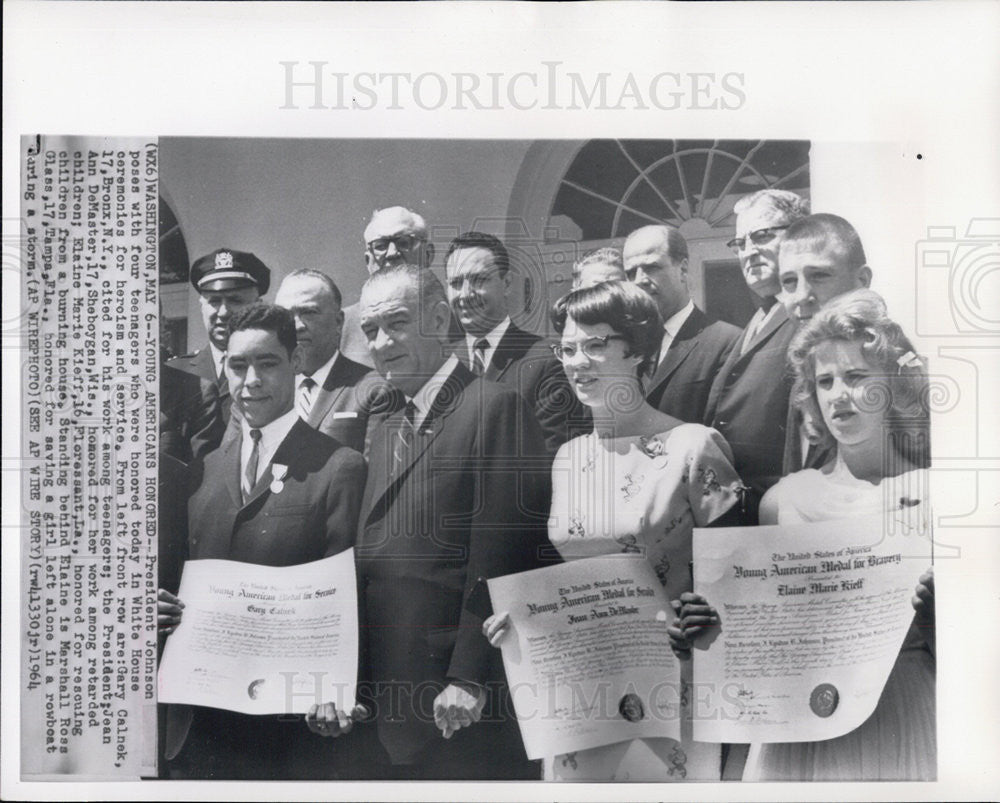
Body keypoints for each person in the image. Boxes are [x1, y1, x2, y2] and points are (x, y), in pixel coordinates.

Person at [484, 281, 745, 781]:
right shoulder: (568, 457)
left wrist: (701, 619)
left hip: (673, 686)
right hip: (581, 692)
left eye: (597, 345)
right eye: (568, 348)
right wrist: (518, 626)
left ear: (640, 352)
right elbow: (560, 586)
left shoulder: (693, 447)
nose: (577, 361)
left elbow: (735, 584)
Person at [673, 289, 935, 781]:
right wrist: (705, 638)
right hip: (796, 733)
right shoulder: (784, 501)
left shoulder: (931, 494)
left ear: (895, 387)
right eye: (824, 381)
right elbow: (760, 650)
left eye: (856, 377)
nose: (838, 393)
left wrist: (940, 621)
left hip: (899, 712)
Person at [308, 264, 555, 780]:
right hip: (386, 688)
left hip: (455, 693)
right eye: (370, 330)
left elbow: (501, 553)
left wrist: (470, 676)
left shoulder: (492, 406)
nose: (379, 342)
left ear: (440, 319)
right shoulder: (389, 419)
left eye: (396, 323)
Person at [158, 304, 367, 780]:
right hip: (199, 725)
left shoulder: (338, 467)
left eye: (267, 363)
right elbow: (176, 573)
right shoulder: (203, 471)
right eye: (238, 365)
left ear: (296, 364)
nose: (251, 379)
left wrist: (335, 689)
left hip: (288, 731)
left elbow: (347, 596)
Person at [703, 189, 810, 522]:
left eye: (762, 236)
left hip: (785, 512)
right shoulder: (757, 319)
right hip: (739, 513)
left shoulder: (809, 317)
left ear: (800, 237)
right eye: (740, 243)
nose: (748, 252)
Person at [445, 231, 588, 456]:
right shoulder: (443, 362)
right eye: (455, 283)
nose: (465, 294)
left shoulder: (546, 361)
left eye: (479, 280)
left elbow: (554, 455)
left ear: (507, 282)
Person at [777, 213, 874, 473]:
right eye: (789, 281)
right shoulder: (807, 371)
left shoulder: (893, 368)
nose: (801, 296)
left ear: (862, 281)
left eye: (819, 276)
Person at [623, 225, 740, 424]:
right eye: (631, 273)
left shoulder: (726, 342)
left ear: (683, 269)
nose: (639, 280)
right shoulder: (624, 343)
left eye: (651, 268)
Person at [272, 269, 398, 455]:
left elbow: (375, 473)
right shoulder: (264, 387)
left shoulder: (375, 390)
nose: (297, 325)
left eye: (309, 312)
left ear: (338, 322)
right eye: (286, 315)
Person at [167, 248, 270, 432]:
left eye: (235, 300)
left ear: (258, 306)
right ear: (201, 306)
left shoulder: (275, 372)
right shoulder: (174, 374)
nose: (223, 312)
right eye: (214, 301)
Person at [339, 205, 436, 367]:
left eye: (404, 242)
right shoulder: (341, 328)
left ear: (428, 255)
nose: (392, 253)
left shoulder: (458, 321)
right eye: (380, 246)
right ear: (368, 261)